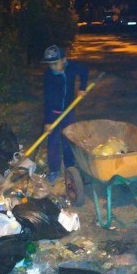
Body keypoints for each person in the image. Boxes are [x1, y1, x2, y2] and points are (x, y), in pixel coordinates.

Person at [41, 45, 89, 183]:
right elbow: (48, 99)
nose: (52, 67)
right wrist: (48, 122)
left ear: (63, 60)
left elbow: (84, 70)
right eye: (50, 64)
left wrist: (82, 88)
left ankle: (70, 166)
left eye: (55, 63)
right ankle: (54, 169)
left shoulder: (72, 67)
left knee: (69, 139)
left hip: (69, 111)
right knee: (53, 142)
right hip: (54, 113)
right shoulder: (49, 76)